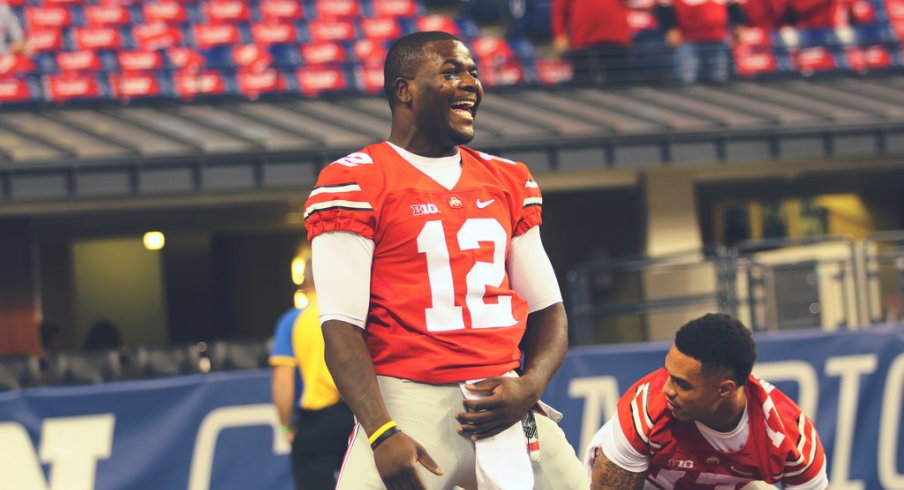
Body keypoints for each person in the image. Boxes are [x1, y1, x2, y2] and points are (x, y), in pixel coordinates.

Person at [303, 31, 587, 490]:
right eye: (451, 72)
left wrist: (530, 386)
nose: (470, 83)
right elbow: (339, 328)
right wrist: (379, 430)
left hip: (502, 398)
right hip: (408, 399)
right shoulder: (354, 181)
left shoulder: (508, 178)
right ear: (405, 90)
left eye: (474, 72)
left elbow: (549, 309)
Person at [585, 313, 829, 489]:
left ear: (725, 389)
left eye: (682, 383)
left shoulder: (789, 438)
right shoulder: (645, 410)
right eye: (668, 374)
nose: (667, 390)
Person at [269, 248, 354, 490]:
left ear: (306, 280)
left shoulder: (293, 321)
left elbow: (283, 382)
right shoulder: (353, 314)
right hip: (359, 415)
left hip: (317, 422)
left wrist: (285, 426)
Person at [655, 0, 746, 84]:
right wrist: (670, 28)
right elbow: (664, 8)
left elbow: (733, 7)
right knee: (686, 77)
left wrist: (738, 25)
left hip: (718, 41)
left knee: (719, 77)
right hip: (688, 41)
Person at [551, 0, 632, 87]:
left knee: (620, 85)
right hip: (583, 38)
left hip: (615, 37)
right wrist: (559, 33)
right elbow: (559, 8)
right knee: (583, 85)